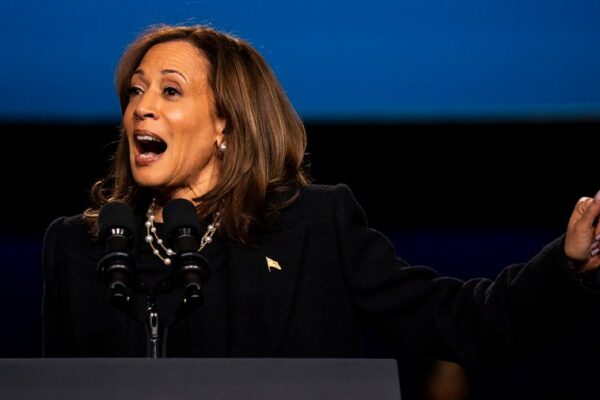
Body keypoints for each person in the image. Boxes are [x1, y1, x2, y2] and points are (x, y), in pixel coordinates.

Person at [43, 25, 600, 364]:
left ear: (225, 125)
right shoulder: (81, 248)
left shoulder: (312, 227)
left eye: (170, 91)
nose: (141, 107)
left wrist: (567, 266)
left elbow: (461, 321)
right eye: (135, 91)